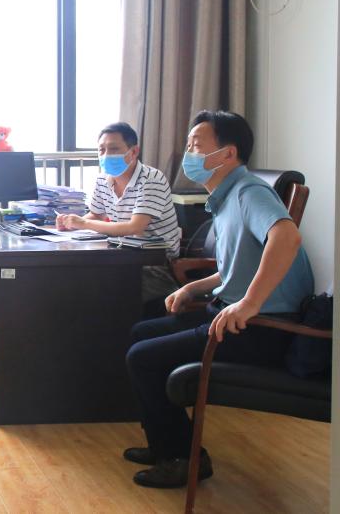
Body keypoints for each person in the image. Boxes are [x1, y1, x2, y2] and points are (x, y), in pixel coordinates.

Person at [123, 111, 313, 488]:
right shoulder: (225, 199)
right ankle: (165, 443)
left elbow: (287, 237)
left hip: (262, 328)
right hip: (229, 313)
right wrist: (192, 288)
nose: (188, 153)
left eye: (196, 145)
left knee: (142, 357)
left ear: (228, 153)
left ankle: (183, 458)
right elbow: (235, 270)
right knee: (141, 332)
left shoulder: (249, 192)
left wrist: (249, 304)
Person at [56, 122, 182, 317]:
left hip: (156, 266)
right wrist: (71, 224)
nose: (106, 155)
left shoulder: (152, 179)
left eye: (114, 149)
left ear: (134, 152)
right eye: (101, 150)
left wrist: (84, 223)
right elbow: (96, 214)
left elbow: (135, 227)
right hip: (120, 257)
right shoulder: (102, 180)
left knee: (95, 290)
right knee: (74, 279)